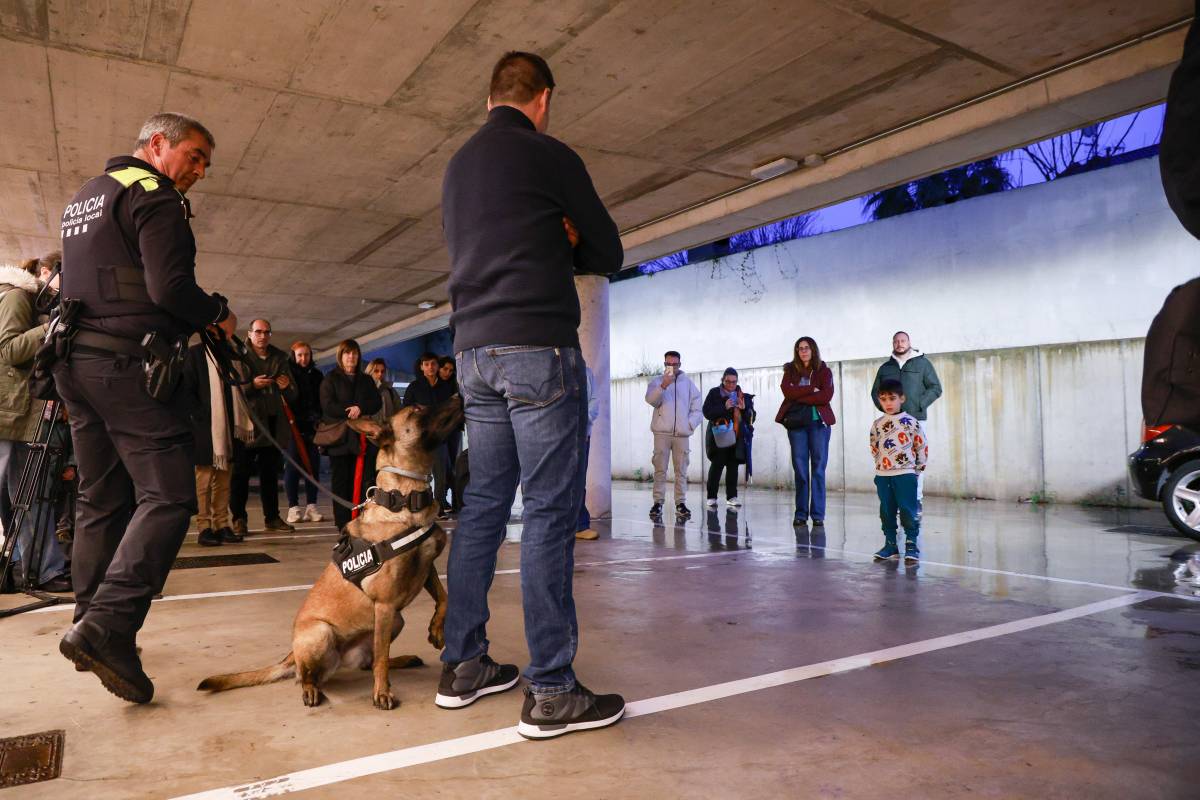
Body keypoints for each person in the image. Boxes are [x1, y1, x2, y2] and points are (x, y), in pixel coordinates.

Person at [439, 51, 625, 738]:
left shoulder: (458, 166)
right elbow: (607, 250)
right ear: (542, 99)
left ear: (493, 97)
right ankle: (551, 690)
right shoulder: (549, 156)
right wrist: (566, 244)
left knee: (484, 505)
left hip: (472, 353)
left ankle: (463, 665)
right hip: (536, 349)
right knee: (548, 512)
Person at [54, 112, 238, 703]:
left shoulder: (88, 195)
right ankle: (107, 626)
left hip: (75, 366)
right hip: (124, 365)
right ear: (157, 145)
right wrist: (216, 314)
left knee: (101, 497)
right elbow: (169, 290)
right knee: (169, 495)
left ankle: (90, 620)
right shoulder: (154, 195)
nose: (200, 171)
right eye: (195, 155)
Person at [0, 255, 69, 592]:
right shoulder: (16, 296)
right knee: (23, 495)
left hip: (21, 413)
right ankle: (38, 568)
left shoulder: (36, 302)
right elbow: (10, 351)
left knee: (28, 495)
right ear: (46, 273)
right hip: (9, 413)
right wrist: (50, 329)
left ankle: (39, 568)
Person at [229, 318, 297, 535]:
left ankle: (272, 518)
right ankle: (239, 518)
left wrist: (286, 388)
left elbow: (294, 394)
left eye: (266, 332)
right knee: (240, 475)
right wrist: (252, 385)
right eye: (258, 332)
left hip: (272, 425)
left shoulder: (280, 358)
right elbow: (232, 390)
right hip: (247, 425)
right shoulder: (238, 355)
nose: (262, 336)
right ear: (249, 333)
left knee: (270, 475)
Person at [869, 332, 941, 503]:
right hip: (892, 422)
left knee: (916, 458)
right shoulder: (885, 368)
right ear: (892, 344)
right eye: (896, 341)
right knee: (896, 460)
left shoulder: (923, 364)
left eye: (902, 341)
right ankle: (899, 499)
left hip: (916, 418)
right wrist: (886, 410)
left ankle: (916, 499)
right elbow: (875, 392)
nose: (899, 344)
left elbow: (935, 388)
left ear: (909, 342)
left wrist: (919, 404)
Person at [184, 340, 243, 546]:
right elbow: (187, 389)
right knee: (204, 480)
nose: (228, 334)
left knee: (224, 481)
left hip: (228, 427)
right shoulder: (195, 354)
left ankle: (221, 524)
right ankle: (204, 526)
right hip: (204, 428)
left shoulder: (232, 354)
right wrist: (200, 416)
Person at [319, 339, 380, 532]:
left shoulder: (366, 379)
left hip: (363, 438)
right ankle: (343, 523)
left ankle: (361, 519)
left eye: (354, 353)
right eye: (347, 353)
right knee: (341, 481)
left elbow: (376, 402)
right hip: (341, 439)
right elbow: (327, 405)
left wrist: (360, 408)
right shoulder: (331, 378)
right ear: (341, 356)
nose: (351, 357)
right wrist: (349, 412)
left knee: (365, 480)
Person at [777, 337, 836, 528]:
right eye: (800, 348)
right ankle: (800, 513)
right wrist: (811, 390)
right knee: (801, 470)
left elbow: (826, 395)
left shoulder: (824, 371)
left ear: (813, 350)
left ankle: (818, 514)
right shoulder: (790, 370)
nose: (803, 351)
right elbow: (788, 392)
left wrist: (800, 395)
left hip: (819, 423)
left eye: (806, 348)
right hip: (797, 425)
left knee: (818, 469)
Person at [870, 378, 928, 564]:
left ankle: (911, 544)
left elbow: (921, 446)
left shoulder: (911, 422)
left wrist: (916, 470)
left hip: (906, 475)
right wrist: (881, 466)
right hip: (883, 475)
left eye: (892, 398)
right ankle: (890, 545)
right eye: (883, 399)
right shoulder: (878, 424)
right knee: (886, 510)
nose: (888, 403)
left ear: (902, 398)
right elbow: (874, 446)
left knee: (907, 510)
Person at [644, 350, 702, 521]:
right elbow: (651, 400)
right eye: (668, 364)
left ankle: (680, 503)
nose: (672, 367)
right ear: (664, 364)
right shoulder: (656, 382)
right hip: (661, 433)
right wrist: (664, 385)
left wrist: (689, 424)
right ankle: (658, 503)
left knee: (681, 471)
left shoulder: (689, 384)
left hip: (682, 435)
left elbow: (697, 409)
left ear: (680, 364)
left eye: (675, 364)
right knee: (660, 469)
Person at [403, 352, 454, 515]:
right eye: (426, 364)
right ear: (421, 367)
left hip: (439, 437)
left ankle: (438, 507)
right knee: (420, 475)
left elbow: (449, 411)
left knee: (441, 475)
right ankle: (421, 506)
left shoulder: (446, 388)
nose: (430, 367)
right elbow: (406, 410)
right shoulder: (414, 387)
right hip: (420, 438)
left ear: (437, 366)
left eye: (433, 364)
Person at [703, 368, 755, 509]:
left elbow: (752, 418)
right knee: (717, 465)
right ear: (723, 380)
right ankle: (712, 497)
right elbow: (707, 412)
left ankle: (732, 497)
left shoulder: (742, 395)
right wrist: (724, 407)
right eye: (728, 381)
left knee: (733, 466)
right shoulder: (714, 393)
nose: (731, 385)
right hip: (719, 436)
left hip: (736, 437)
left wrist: (744, 408)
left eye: (734, 382)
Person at [284, 340, 324, 524]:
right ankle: (293, 507)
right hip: (292, 427)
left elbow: (320, 401)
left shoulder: (317, 375)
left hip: (312, 428)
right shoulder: (287, 375)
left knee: (313, 467)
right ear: (294, 356)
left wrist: (318, 420)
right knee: (293, 468)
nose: (303, 358)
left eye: (306, 354)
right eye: (300, 355)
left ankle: (311, 506)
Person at [576, 365, 600, 540]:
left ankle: (580, 526)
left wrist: (582, 426)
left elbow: (593, 401)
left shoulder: (585, 371)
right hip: (552, 433)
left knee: (578, 481)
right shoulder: (547, 364)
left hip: (580, 434)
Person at [439, 355, 464, 511]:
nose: (447, 372)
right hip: (441, 433)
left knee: (453, 467)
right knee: (443, 468)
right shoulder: (435, 387)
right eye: (445, 369)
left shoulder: (455, 386)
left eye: (450, 370)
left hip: (453, 430)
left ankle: (455, 502)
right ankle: (442, 502)